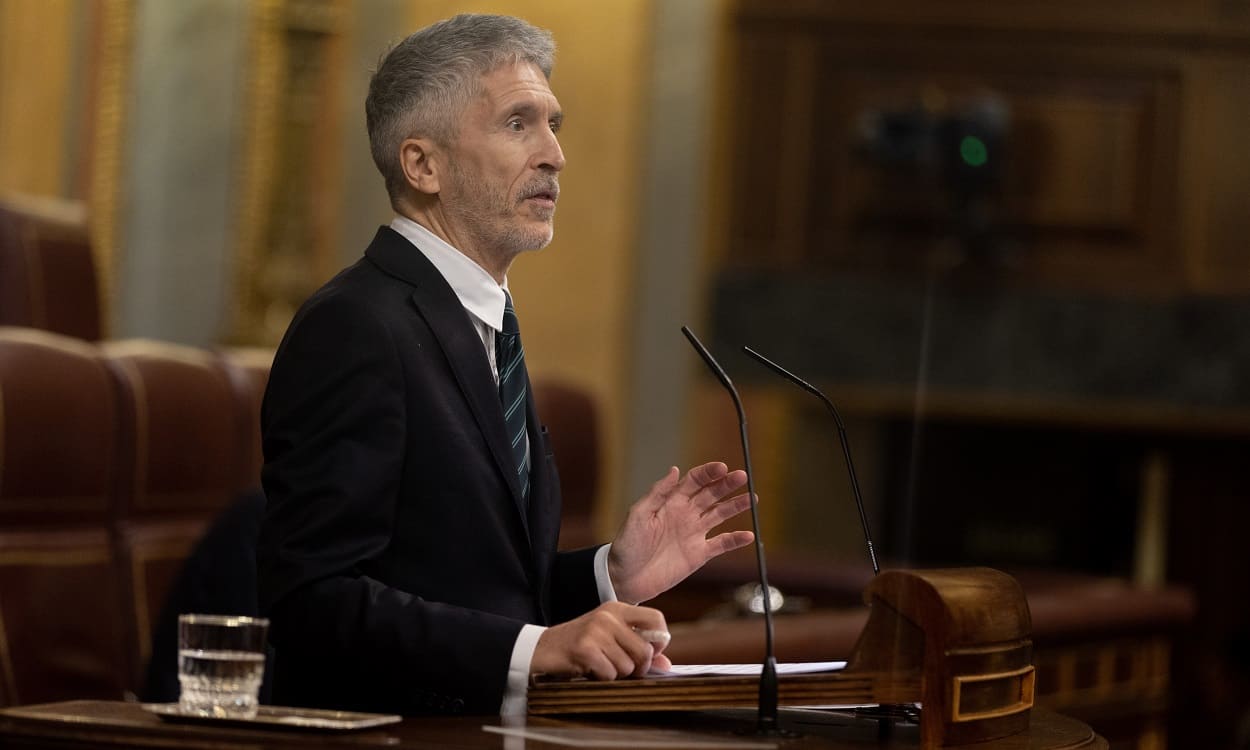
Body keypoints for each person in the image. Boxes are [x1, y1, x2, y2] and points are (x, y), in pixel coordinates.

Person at [256, 13, 754, 717]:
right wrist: (534, 652)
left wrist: (609, 575)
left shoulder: (480, 323)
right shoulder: (357, 326)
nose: (554, 154)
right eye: (519, 123)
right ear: (422, 164)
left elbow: (474, 591)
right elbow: (311, 599)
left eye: (554, 123)